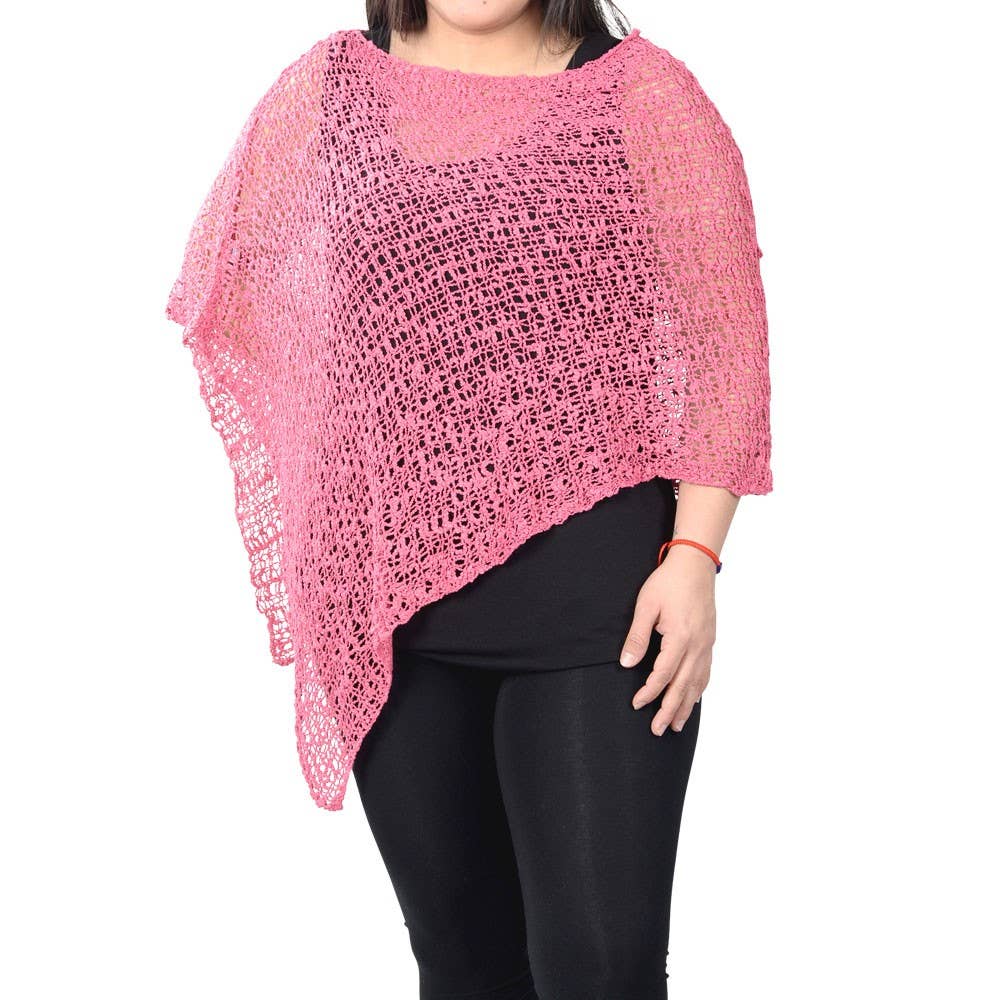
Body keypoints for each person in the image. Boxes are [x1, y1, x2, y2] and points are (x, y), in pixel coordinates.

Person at [165, 1, 772, 997]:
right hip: (392, 615)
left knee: (601, 970)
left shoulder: (640, 93)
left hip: (603, 612)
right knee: (462, 968)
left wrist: (695, 559)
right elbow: (246, 302)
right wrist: (335, 510)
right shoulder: (327, 89)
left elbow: (723, 341)